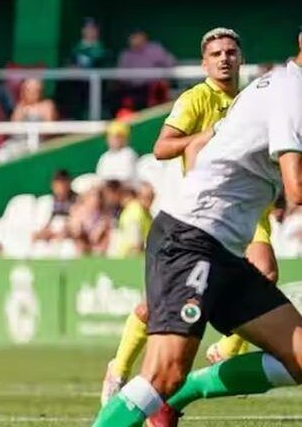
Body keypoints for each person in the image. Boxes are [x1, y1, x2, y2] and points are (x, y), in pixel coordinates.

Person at [93, 32, 302, 427]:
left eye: (231, 53)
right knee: (162, 374)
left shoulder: (277, 86)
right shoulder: (293, 94)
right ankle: (152, 389)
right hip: (191, 239)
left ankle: (183, 395)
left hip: (226, 249)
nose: (225, 59)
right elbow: (297, 188)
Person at [117, 29, 175, 110]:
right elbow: (121, 77)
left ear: (144, 38)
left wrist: (162, 76)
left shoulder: (154, 49)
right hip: (132, 89)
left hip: (152, 88)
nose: (135, 40)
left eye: (137, 37)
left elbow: (170, 62)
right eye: (133, 38)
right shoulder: (126, 55)